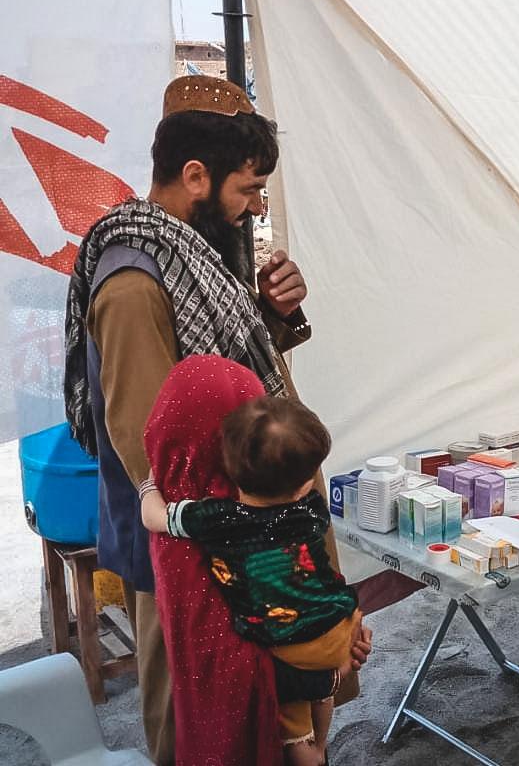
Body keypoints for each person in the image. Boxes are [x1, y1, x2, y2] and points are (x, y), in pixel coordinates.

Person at [62, 75, 352, 764]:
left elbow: (218, 395)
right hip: (196, 562)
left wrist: (272, 318)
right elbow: (156, 448)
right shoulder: (134, 282)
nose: (255, 208)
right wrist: (253, 528)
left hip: (247, 540)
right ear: (196, 175)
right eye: (248, 190)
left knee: (268, 728)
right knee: (200, 736)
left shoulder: (194, 257)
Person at [143, 354, 370, 766]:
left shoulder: (206, 525)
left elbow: (220, 671)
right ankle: (316, 746)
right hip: (331, 632)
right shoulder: (306, 508)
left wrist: (147, 486)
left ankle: (309, 747)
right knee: (313, 713)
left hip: (286, 669)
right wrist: (334, 662)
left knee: (294, 732)